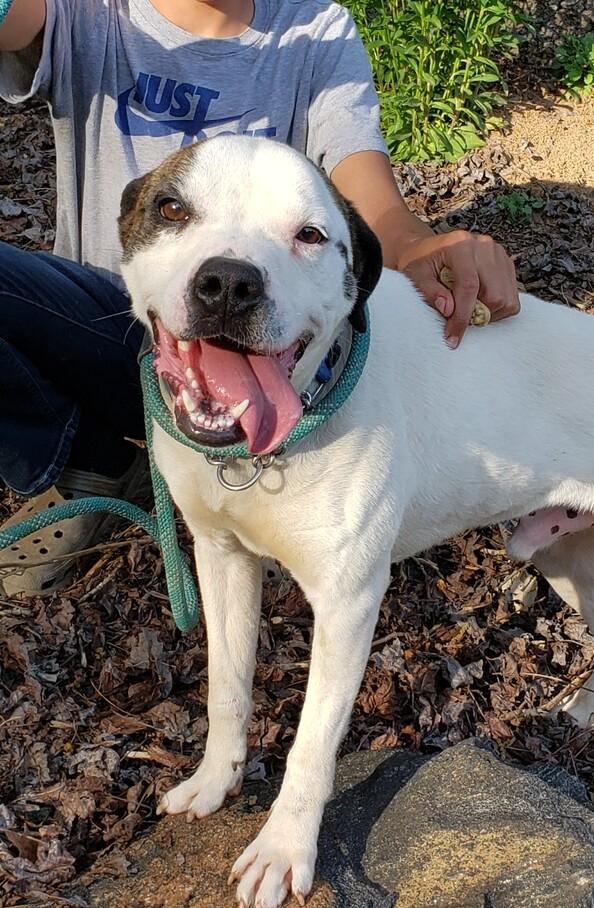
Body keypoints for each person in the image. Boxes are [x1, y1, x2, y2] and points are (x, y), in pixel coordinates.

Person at [0, 0, 522, 595]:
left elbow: (367, 197)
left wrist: (417, 245)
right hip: (110, 331)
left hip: (259, 345)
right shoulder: (88, 14)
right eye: (175, 209)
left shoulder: (314, 28)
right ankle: (88, 460)